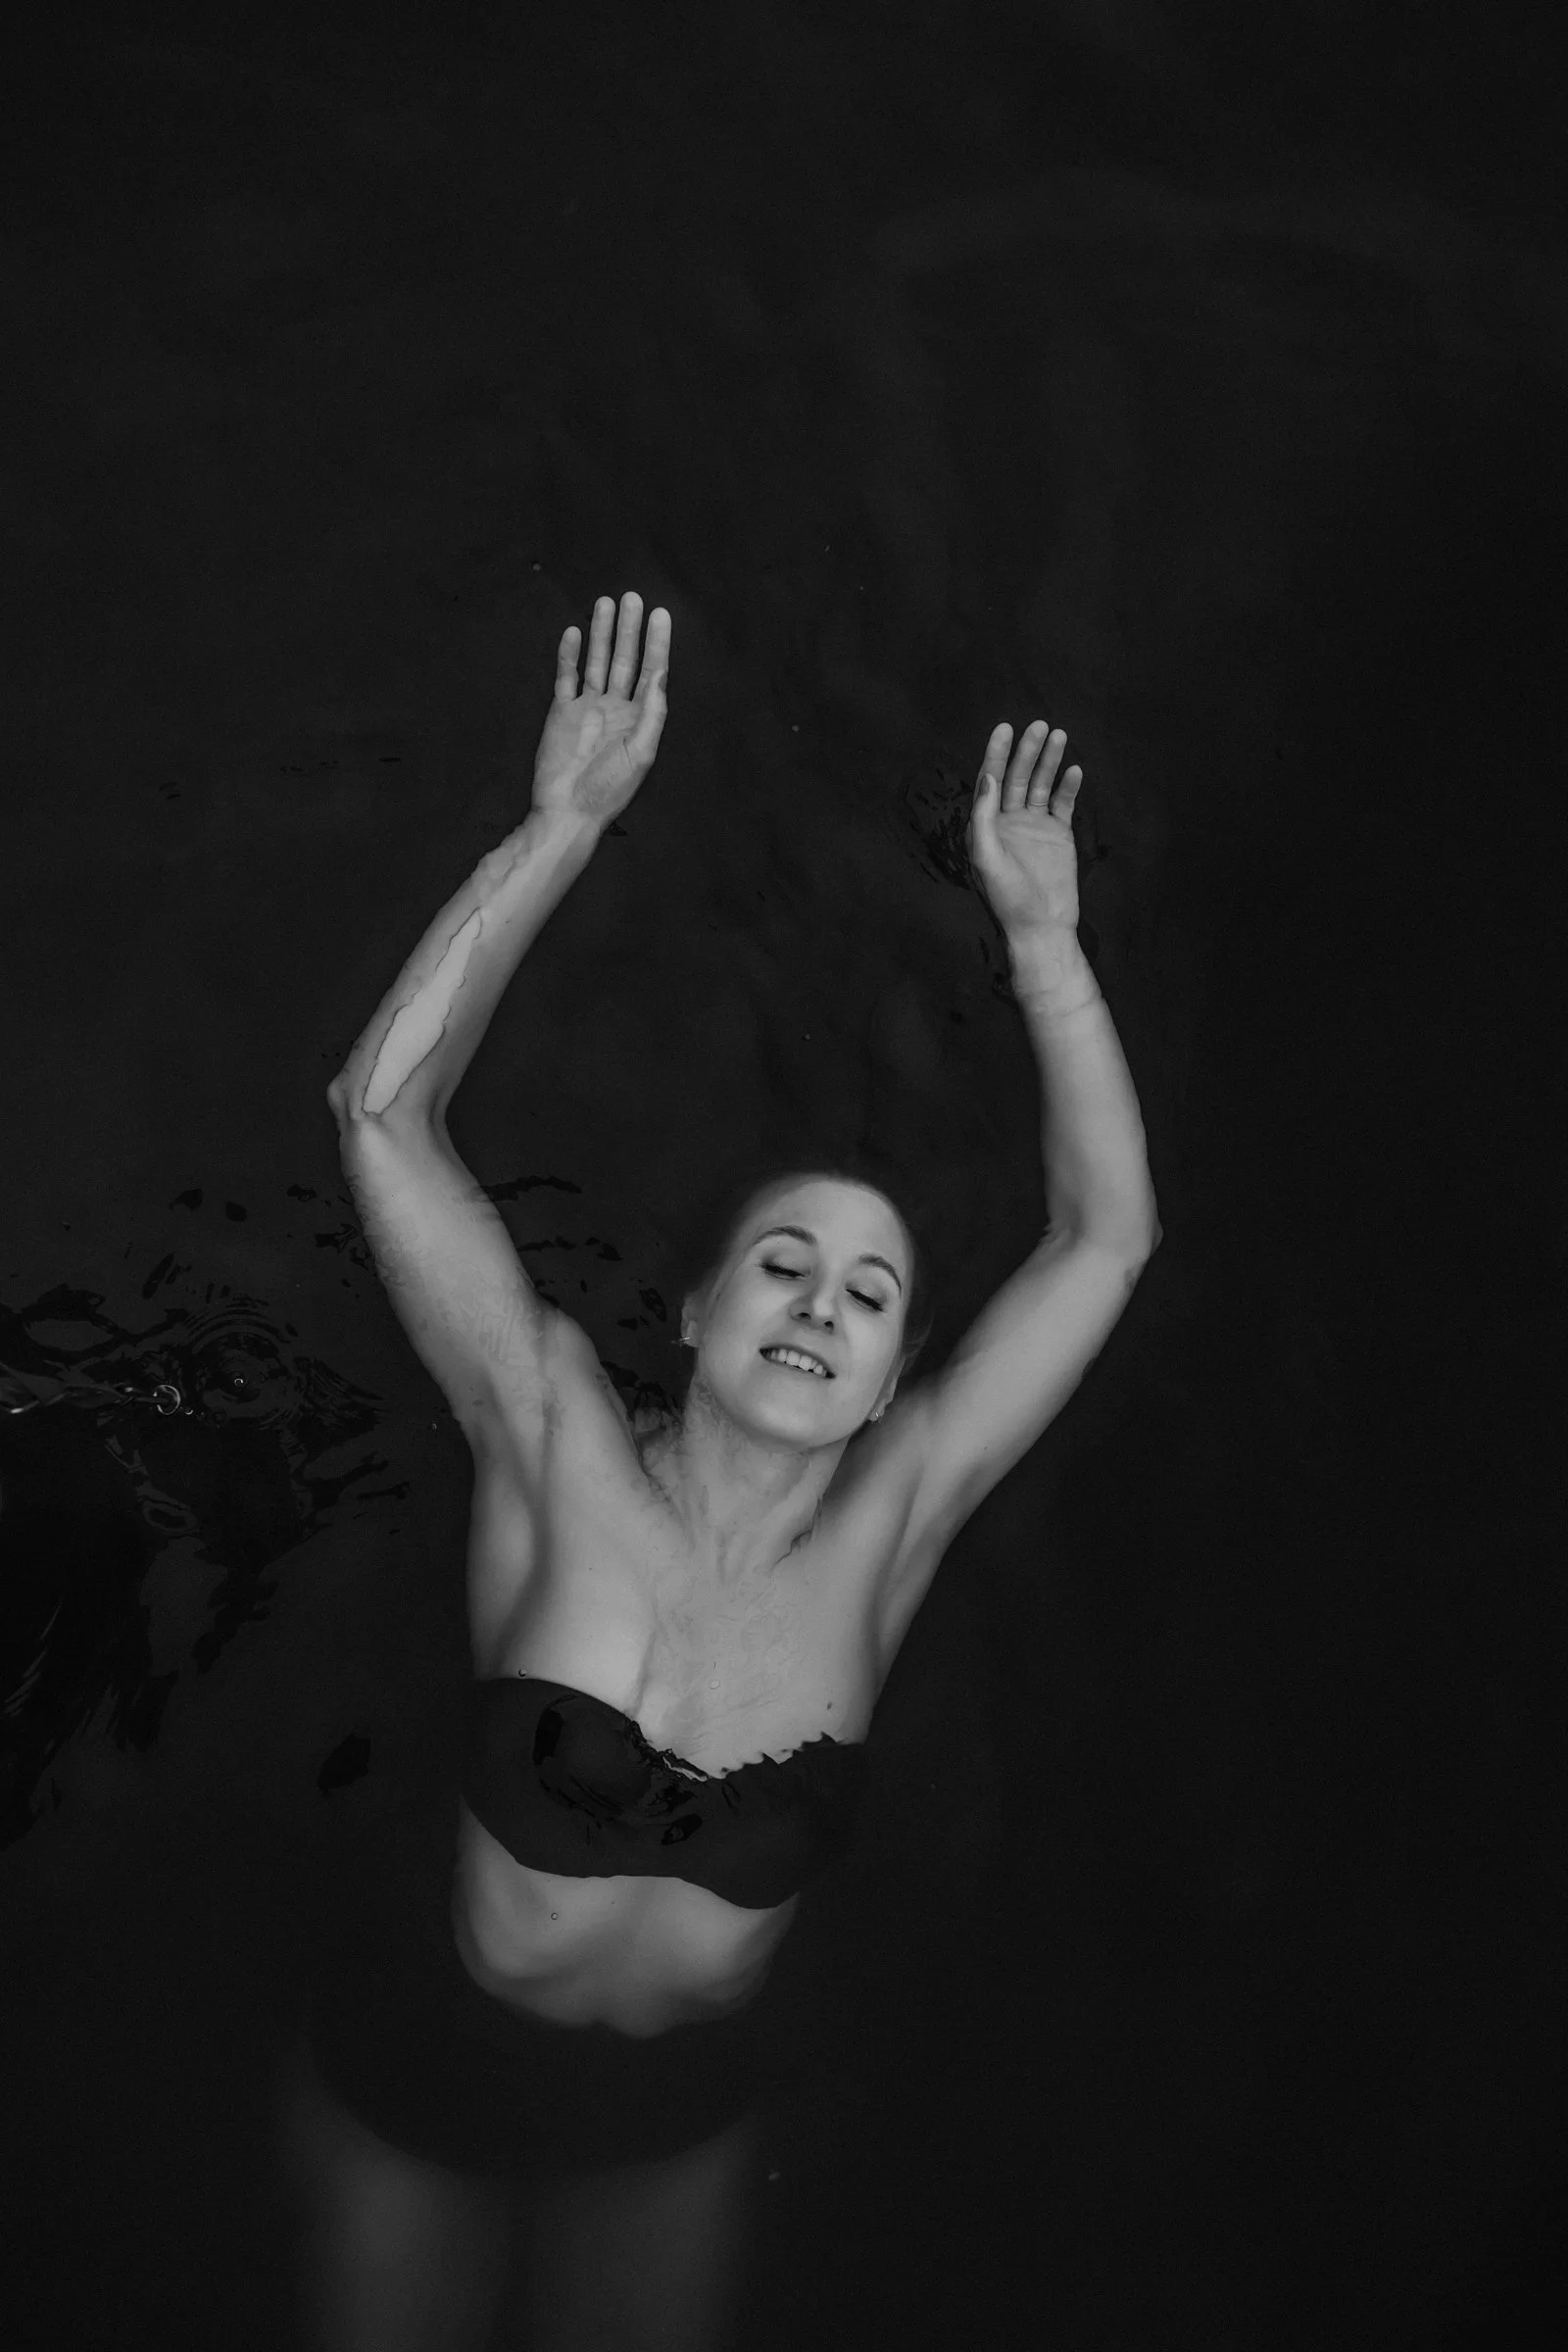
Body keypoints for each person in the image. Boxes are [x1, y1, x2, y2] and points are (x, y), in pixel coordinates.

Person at [273, 591, 1160, 2351]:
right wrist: (561, 826)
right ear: (691, 1309)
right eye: (783, 1261)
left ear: (901, 1371)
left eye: (871, 1290)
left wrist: (1045, 945)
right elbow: (382, 1114)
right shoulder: (549, 1433)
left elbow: (1105, 1241)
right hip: (434, 2046)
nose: (823, 1306)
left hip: (680, 2110)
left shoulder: (892, 1526)